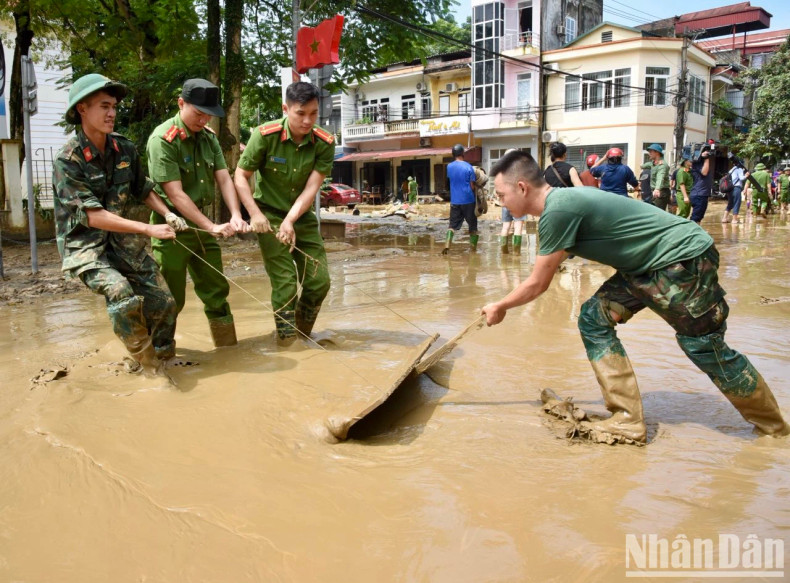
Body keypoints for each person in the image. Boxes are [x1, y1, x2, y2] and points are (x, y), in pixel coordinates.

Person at [481, 150, 789, 444]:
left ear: (521, 188)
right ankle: (627, 419)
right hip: (642, 268)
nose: (500, 201)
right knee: (593, 318)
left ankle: (775, 430)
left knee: (704, 345)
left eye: (502, 194)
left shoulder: (557, 210)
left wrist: (500, 305)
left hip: (680, 260)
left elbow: (537, 284)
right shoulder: (562, 205)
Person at [52, 73, 178, 375]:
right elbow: (93, 216)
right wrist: (148, 228)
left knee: (164, 301)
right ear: (82, 109)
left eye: (114, 107)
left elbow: (142, 187)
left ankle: (165, 358)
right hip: (85, 248)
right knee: (120, 290)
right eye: (104, 106)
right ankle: (149, 368)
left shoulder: (124, 148)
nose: (111, 114)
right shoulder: (67, 160)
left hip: (122, 244)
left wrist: (168, 213)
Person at [147, 78, 247, 351]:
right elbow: (176, 194)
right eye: (198, 113)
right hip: (172, 231)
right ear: (181, 103)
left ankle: (228, 351)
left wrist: (236, 214)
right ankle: (158, 357)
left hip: (204, 230)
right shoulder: (162, 140)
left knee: (217, 293)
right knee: (170, 300)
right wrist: (212, 225)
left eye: (208, 116)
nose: (203, 121)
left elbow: (224, 178)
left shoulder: (209, 138)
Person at [233, 81, 333, 345]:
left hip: (301, 216)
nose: (307, 120)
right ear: (285, 109)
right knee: (286, 284)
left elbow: (312, 188)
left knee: (319, 281)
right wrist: (254, 214)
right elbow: (241, 176)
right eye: (301, 113)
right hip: (268, 216)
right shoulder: (265, 135)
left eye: (313, 113)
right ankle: (288, 343)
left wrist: (291, 220)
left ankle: (302, 334)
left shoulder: (324, 142)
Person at [442, 143, 478, 254]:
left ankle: (447, 243)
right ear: (463, 153)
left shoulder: (449, 167)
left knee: (452, 226)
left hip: (455, 201)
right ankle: (473, 250)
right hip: (468, 200)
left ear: (453, 154)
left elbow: (450, 181)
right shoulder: (469, 167)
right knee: (473, 227)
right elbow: (472, 186)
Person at [640, 144, 670, 211]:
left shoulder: (662, 165)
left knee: (658, 213)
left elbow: (660, 177)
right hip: (655, 191)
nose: (649, 153)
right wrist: (642, 166)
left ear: (657, 152)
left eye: (651, 151)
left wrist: (657, 189)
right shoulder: (653, 163)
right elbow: (645, 165)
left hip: (661, 192)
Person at [688, 148, 714, 223]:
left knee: (698, 218)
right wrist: (706, 158)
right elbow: (704, 172)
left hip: (701, 193)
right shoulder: (698, 163)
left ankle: (696, 233)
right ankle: (692, 233)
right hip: (699, 194)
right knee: (695, 218)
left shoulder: (699, 162)